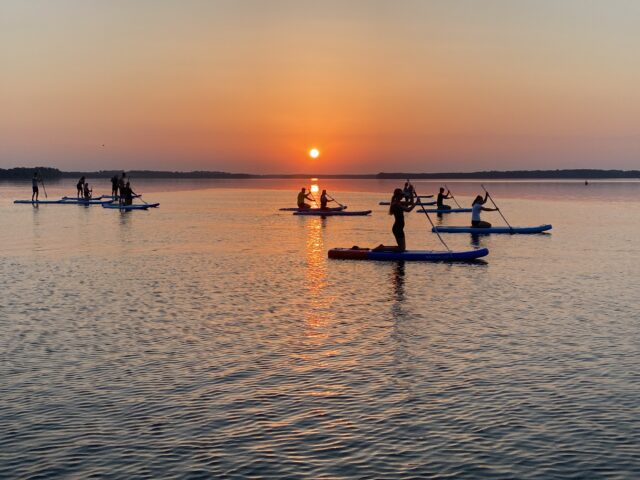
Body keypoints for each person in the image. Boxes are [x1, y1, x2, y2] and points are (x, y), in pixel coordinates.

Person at [376, 188, 417, 252]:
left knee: (402, 248)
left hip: (400, 228)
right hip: (397, 228)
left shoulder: (399, 203)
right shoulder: (396, 204)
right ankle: (382, 248)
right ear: (397, 195)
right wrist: (416, 203)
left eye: (402, 195)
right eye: (401, 195)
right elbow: (408, 210)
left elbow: (410, 203)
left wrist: (411, 193)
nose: (402, 196)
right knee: (401, 249)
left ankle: (383, 247)